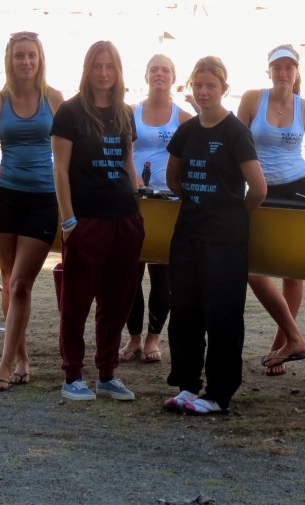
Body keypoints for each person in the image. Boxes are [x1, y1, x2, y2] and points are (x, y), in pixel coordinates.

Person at [163, 56, 267, 415]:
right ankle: (188, 385)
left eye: (211, 86)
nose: (204, 92)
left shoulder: (236, 132)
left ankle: (219, 394)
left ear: (224, 88)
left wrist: (232, 213)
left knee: (222, 316)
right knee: (186, 312)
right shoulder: (187, 131)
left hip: (225, 241)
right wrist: (197, 204)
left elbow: (258, 188)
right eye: (198, 85)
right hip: (188, 234)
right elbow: (173, 178)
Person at [51, 40, 144, 401]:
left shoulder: (124, 112)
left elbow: (128, 163)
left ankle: (107, 373)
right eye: (97, 66)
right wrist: (68, 219)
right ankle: (72, 375)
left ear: (118, 71)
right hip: (85, 219)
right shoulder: (70, 112)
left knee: (118, 299)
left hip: (124, 217)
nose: (103, 73)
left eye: (110, 67)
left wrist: (136, 202)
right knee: (76, 301)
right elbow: (60, 168)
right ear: (87, 69)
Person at [0, 32, 65, 391]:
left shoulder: (55, 100)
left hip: (43, 199)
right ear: (9, 60)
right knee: (9, 280)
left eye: (32, 55)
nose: (26, 62)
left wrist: (69, 205)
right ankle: (21, 358)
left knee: (20, 283)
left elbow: (66, 157)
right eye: (19, 56)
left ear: (40, 59)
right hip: (5, 197)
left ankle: (2, 366)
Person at [237, 44, 305, 376]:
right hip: (260, 189)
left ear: (296, 72)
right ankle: (293, 337)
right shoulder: (251, 99)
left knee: (292, 271)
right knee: (252, 269)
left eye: (289, 67)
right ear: (269, 69)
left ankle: (281, 347)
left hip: (297, 189)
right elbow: (235, 144)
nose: (283, 72)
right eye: (278, 67)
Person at [118, 54, 192, 365]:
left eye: (165, 70)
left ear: (174, 78)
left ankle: (153, 337)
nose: (159, 75)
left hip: (168, 204)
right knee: (129, 274)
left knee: (162, 276)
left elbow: (192, 157)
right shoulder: (130, 113)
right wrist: (134, 181)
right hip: (134, 200)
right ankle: (133, 337)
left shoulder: (184, 118)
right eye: (153, 70)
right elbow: (124, 151)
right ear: (146, 76)